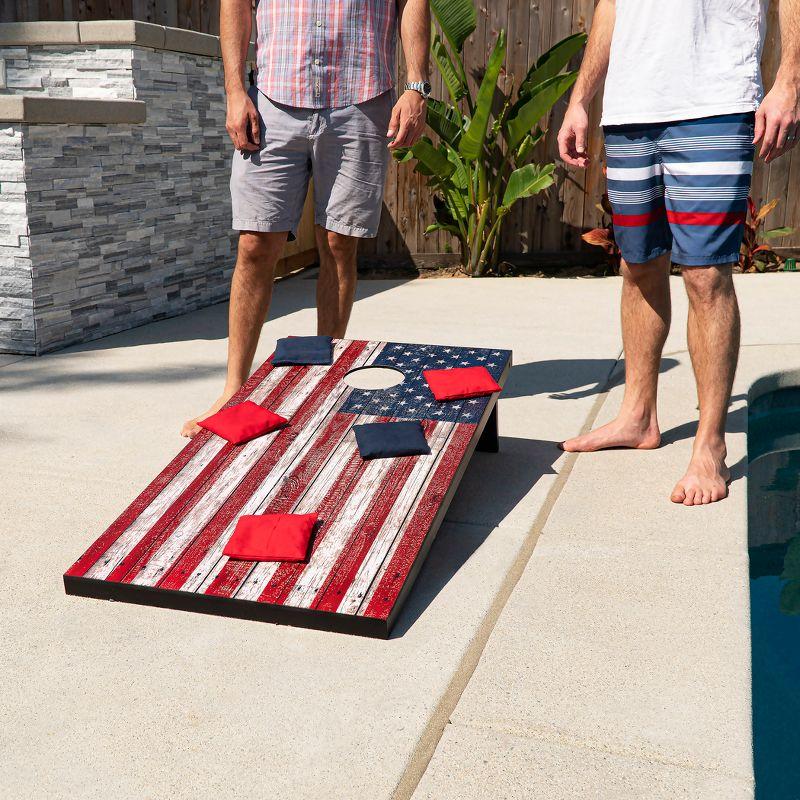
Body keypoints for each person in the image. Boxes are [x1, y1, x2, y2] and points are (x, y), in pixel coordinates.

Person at [557, 0, 800, 505]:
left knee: (706, 276)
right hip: (630, 108)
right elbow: (610, 7)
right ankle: (638, 415)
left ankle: (710, 444)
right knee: (637, 265)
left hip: (714, 100)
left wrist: (789, 81)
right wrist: (582, 97)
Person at [182, 0, 432, 438]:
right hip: (274, 98)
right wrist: (234, 90)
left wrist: (416, 87)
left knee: (339, 244)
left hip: (362, 97)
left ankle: (321, 384)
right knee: (255, 244)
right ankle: (234, 390)